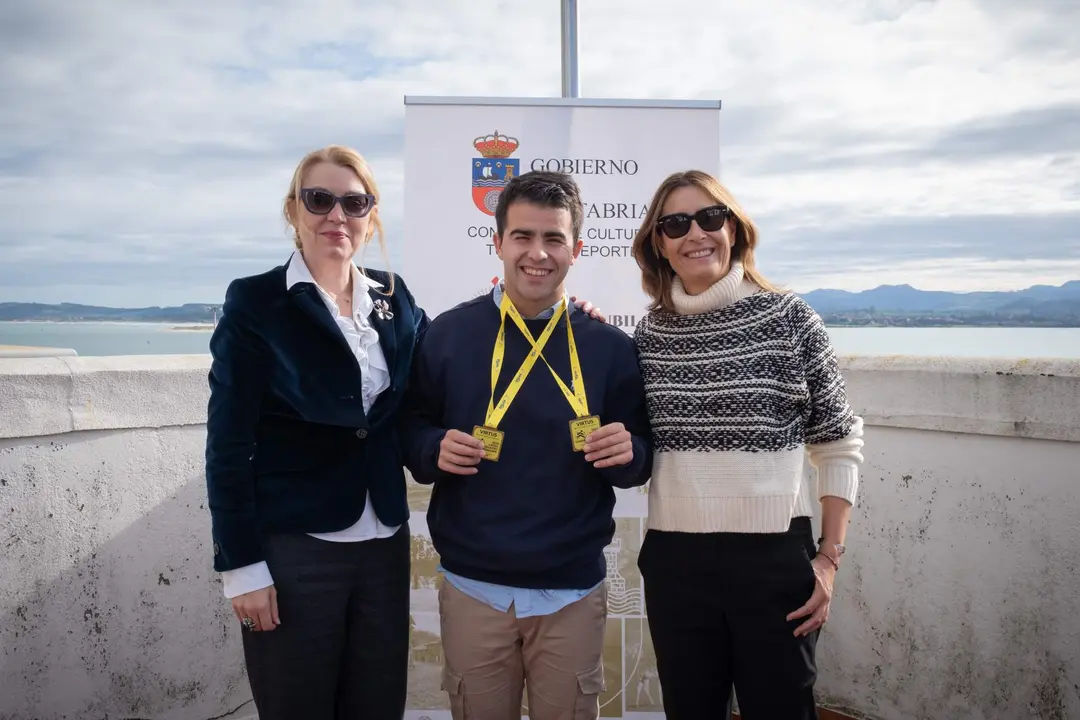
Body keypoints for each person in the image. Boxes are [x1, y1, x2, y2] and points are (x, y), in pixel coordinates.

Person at [204, 146, 607, 719]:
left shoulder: (393, 299)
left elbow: (434, 387)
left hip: (382, 546)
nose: (336, 216)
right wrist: (241, 567)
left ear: (372, 216)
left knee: (376, 705)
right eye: (319, 200)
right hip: (295, 549)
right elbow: (228, 446)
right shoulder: (256, 302)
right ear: (294, 211)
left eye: (354, 202)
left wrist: (567, 315)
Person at [401, 170, 653, 720]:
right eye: (522, 236)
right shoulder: (447, 334)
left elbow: (641, 456)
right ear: (497, 242)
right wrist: (430, 448)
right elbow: (411, 425)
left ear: (577, 249)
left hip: (571, 592)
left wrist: (628, 452)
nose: (537, 254)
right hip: (473, 588)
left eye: (554, 239)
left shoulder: (609, 347)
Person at [629, 170, 865, 719]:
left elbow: (837, 443)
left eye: (711, 217)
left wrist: (828, 559)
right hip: (676, 562)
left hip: (774, 559)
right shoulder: (647, 338)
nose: (697, 234)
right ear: (658, 245)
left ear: (734, 229)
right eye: (676, 223)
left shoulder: (790, 318)